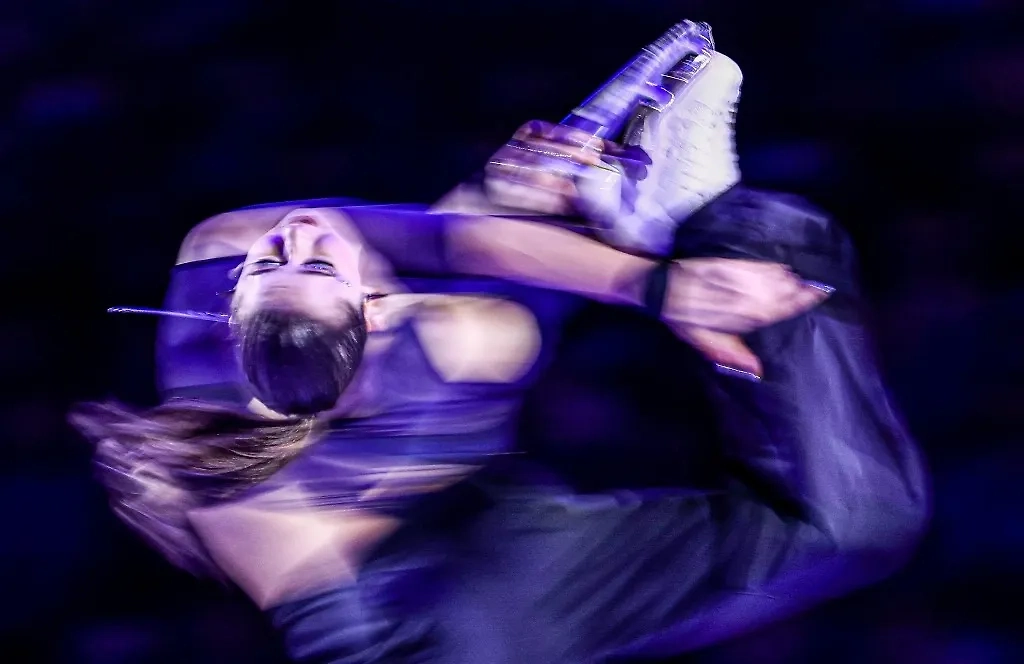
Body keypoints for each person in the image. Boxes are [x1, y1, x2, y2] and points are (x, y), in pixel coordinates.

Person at [73, 42, 928, 664]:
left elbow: (450, 239)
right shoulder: (458, 349)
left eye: (271, 265)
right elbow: (481, 256)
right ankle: (702, 223)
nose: (294, 234)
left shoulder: (220, 251)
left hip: (479, 537)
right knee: (857, 522)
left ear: (230, 313)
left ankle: (709, 221)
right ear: (377, 311)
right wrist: (643, 268)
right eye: (314, 262)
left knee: (856, 515)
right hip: (441, 628)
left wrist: (524, 202)